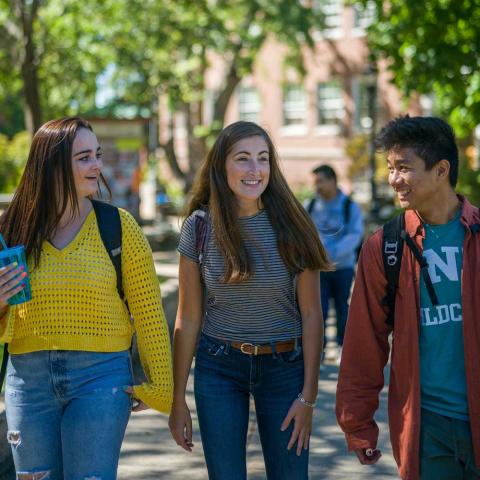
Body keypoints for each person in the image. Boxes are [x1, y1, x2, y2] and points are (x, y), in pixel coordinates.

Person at [0, 117, 173, 480]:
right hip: (28, 381)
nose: (97, 165)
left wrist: (161, 385)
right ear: (52, 165)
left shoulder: (119, 226)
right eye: (83, 158)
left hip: (100, 377)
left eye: (97, 154)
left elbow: (148, 312)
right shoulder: (10, 229)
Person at [168, 121, 330, 479]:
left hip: (285, 368)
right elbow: (188, 317)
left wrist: (308, 396)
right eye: (243, 159)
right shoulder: (199, 227)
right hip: (219, 367)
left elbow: (312, 315)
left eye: (263, 159)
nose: (255, 170)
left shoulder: (295, 225)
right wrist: (177, 399)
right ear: (221, 166)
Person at [336, 116, 480, 480]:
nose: (393, 179)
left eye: (404, 168)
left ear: (441, 170)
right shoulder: (385, 247)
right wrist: (357, 423)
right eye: (389, 167)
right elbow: (363, 341)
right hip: (425, 425)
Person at [305, 165, 363, 354]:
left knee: (342, 308)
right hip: (318, 268)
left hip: (343, 266)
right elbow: (303, 233)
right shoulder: (311, 205)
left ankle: (341, 348)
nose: (317, 186)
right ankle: (318, 351)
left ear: (332, 180)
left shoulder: (349, 206)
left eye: (320, 181)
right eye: (315, 182)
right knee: (318, 309)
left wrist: (332, 252)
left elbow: (355, 234)